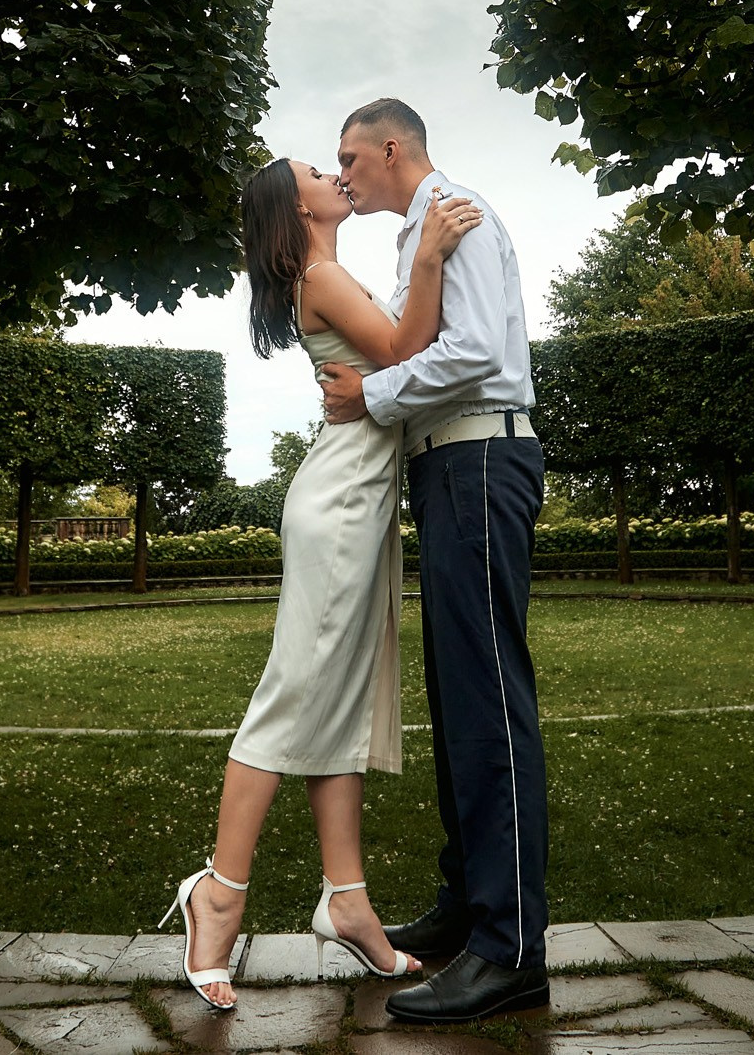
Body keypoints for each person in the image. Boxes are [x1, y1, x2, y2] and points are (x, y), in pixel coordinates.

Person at [163, 151, 485, 1010]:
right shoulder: (322, 273)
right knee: (292, 694)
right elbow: (404, 348)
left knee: (339, 699)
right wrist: (426, 259)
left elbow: (389, 368)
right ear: (294, 205)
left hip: (360, 503)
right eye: (317, 168)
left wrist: (395, 331)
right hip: (340, 506)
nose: (334, 174)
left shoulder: (328, 272)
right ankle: (218, 894)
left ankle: (347, 900)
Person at [319, 98, 551, 1024]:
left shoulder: (461, 212)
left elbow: (475, 351)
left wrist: (371, 392)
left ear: (390, 147)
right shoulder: (422, 231)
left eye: (349, 158)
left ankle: (511, 947)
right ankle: (469, 909)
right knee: (461, 696)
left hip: (480, 455)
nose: (342, 175)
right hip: (448, 464)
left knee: (489, 696)